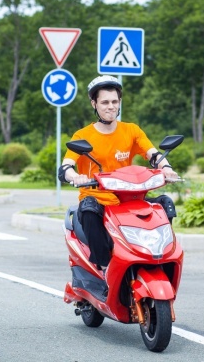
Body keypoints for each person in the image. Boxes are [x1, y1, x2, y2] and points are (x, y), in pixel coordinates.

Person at [59, 75, 179, 277]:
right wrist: (75, 176)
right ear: (94, 104)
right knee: (88, 210)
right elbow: (65, 168)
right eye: (105, 102)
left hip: (128, 198)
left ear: (120, 102)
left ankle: (161, 257)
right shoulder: (82, 135)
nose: (110, 106)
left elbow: (153, 154)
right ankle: (104, 267)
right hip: (98, 199)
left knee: (164, 204)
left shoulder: (131, 130)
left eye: (114, 101)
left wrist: (166, 168)